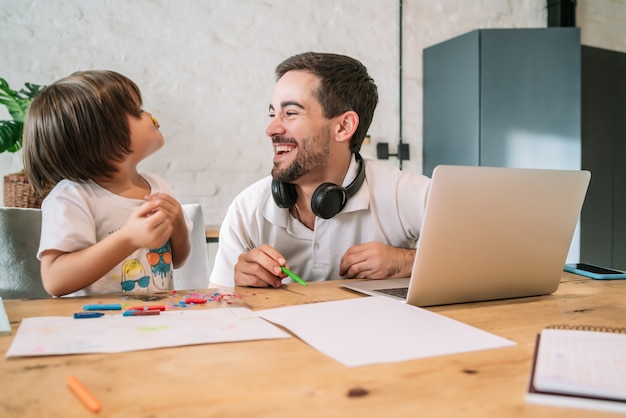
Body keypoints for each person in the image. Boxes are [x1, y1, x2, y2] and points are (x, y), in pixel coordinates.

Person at [210, 52, 431, 288]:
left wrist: (408, 262)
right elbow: (219, 312)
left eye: (291, 113)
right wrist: (238, 286)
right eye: (272, 113)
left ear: (344, 127)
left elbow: (476, 254)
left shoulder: (401, 192)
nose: (271, 128)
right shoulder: (248, 208)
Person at [23, 70, 191, 297]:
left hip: (154, 322)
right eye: (138, 111)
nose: (149, 115)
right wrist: (128, 238)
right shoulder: (72, 197)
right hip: (96, 326)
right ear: (100, 135)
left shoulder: (158, 187)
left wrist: (178, 226)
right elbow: (55, 280)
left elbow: (178, 260)